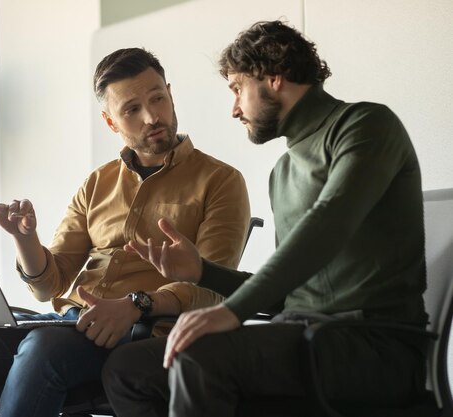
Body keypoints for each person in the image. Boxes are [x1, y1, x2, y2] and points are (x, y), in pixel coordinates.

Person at [102, 21, 428, 417]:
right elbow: (284, 295)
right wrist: (202, 271)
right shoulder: (283, 171)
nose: (235, 108)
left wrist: (230, 311)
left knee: (199, 356)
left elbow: (326, 226)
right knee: (129, 368)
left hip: (372, 346)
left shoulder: (365, 126)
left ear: (273, 77)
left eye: (237, 89)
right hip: (302, 333)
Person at [0, 47, 250, 417]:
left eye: (158, 99)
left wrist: (136, 304)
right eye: (131, 109)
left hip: (141, 332)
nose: (152, 116)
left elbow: (213, 286)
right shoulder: (97, 183)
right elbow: (48, 285)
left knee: (41, 347)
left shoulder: (220, 181)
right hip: (67, 325)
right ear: (111, 122)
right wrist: (24, 238)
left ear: (170, 94)